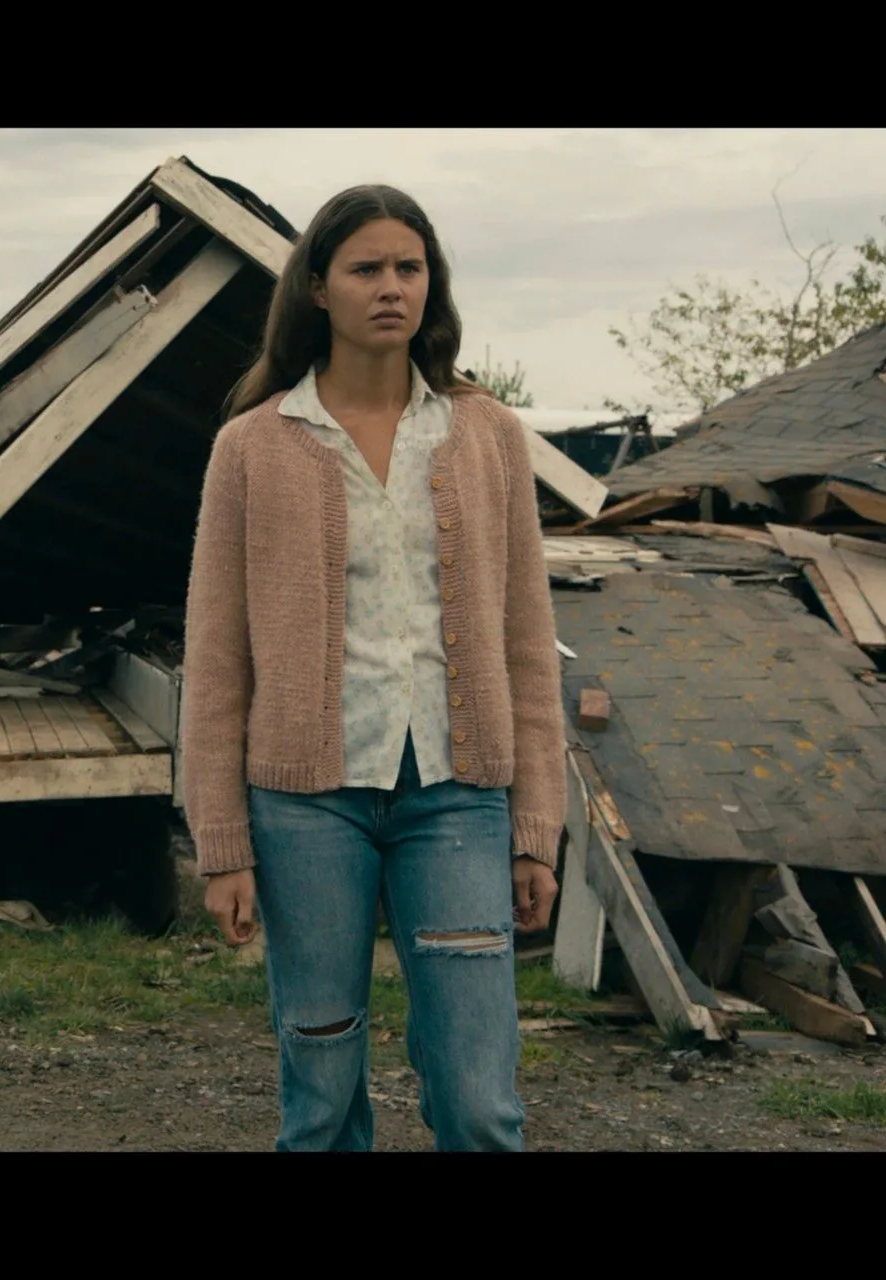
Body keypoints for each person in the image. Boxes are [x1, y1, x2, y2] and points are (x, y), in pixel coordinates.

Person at [180, 185, 565, 1151]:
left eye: (409, 268)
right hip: (306, 807)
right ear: (317, 288)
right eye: (365, 269)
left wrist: (535, 828)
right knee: (319, 1090)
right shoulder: (254, 447)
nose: (391, 288)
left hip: (459, 800)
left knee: (481, 1101)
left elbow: (527, 642)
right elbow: (218, 659)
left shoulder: (487, 438)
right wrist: (221, 843)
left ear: (431, 287)